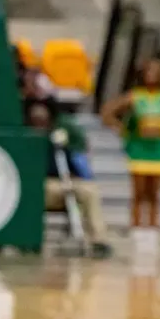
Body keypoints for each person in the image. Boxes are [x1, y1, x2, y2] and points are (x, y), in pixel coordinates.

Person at [100, 58, 160, 255]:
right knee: (138, 193)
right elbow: (107, 112)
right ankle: (136, 231)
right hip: (139, 148)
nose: (152, 75)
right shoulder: (135, 96)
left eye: (156, 72)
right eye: (149, 71)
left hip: (159, 148)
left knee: (154, 194)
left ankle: (152, 233)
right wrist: (123, 130)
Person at [27, 98, 112, 258]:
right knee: (45, 188)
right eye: (36, 120)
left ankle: (99, 240)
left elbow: (72, 165)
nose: (39, 123)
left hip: (60, 184)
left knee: (89, 190)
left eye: (43, 120)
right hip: (36, 187)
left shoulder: (57, 141)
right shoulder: (24, 142)